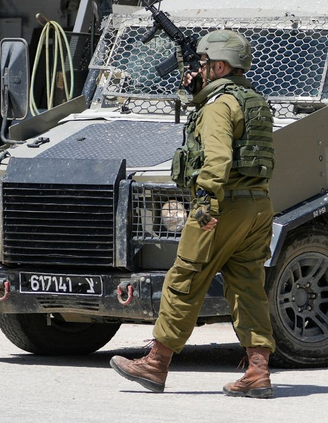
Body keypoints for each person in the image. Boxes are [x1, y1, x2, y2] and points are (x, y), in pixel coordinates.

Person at [111, 30, 278, 399]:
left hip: (221, 207)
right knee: (248, 287)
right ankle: (258, 371)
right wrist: (195, 94)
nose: (199, 69)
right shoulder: (254, 101)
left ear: (220, 66)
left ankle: (156, 363)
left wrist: (204, 205)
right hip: (256, 207)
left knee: (184, 279)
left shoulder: (219, 106)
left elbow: (218, 158)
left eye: (204, 63)